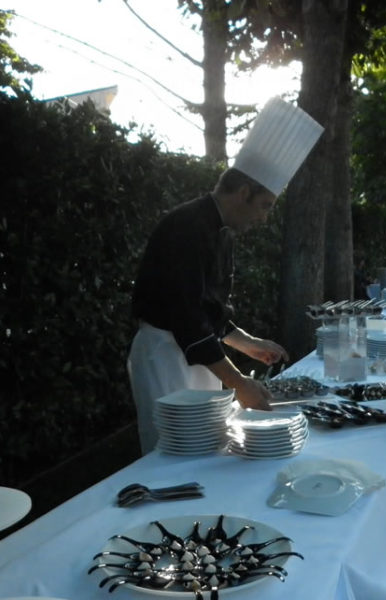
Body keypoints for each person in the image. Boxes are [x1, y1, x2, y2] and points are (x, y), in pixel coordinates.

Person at [128, 97, 323, 454]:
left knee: (210, 447)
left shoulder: (222, 231)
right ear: (244, 192)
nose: (264, 218)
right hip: (164, 359)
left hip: (201, 359)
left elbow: (210, 313)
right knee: (171, 455)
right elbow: (187, 320)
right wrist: (239, 384)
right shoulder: (185, 227)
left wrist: (247, 341)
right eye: (264, 206)